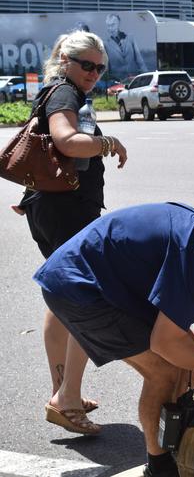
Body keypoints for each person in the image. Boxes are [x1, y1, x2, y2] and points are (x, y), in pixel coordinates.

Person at [33, 202, 194, 477]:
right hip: (79, 289)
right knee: (165, 368)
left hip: (102, 284)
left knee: (188, 346)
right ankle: (161, 468)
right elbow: (164, 343)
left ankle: (182, 449)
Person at [12, 31, 128, 431]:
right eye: (87, 65)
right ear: (65, 60)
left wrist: (35, 196)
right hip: (67, 212)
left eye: (100, 67)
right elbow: (66, 141)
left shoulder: (52, 91)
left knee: (61, 299)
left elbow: (41, 148)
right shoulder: (65, 94)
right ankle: (68, 399)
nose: (94, 73)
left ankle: (63, 392)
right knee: (85, 300)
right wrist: (107, 142)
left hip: (52, 207)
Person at [105, 13, 147, 78]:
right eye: (108, 25)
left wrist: (146, 76)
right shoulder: (106, 44)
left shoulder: (130, 38)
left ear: (118, 24)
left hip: (134, 79)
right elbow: (106, 67)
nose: (111, 28)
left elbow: (139, 60)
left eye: (113, 25)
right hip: (117, 80)